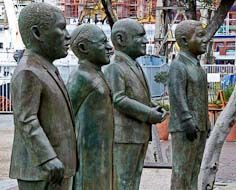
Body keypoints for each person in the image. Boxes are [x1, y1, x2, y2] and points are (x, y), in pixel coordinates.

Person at [9, 3, 77, 190]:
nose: (68, 35)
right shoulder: (28, 71)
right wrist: (48, 157)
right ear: (37, 33)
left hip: (56, 168)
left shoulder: (45, 68)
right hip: (42, 170)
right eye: (61, 28)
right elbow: (26, 119)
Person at [103, 18, 165, 190]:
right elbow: (118, 99)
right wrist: (148, 113)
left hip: (138, 134)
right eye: (140, 36)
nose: (146, 41)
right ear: (121, 39)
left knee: (133, 180)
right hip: (124, 136)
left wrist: (152, 106)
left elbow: (136, 96)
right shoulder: (115, 67)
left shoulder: (134, 64)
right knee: (123, 181)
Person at [67, 24, 113, 190]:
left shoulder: (97, 73)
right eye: (102, 43)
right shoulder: (81, 77)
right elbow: (66, 117)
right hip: (87, 155)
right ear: (83, 48)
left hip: (101, 150)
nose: (109, 47)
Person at [168, 20, 210, 190]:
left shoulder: (197, 67)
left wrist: (206, 123)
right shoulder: (178, 66)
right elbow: (177, 96)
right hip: (185, 128)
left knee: (193, 170)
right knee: (182, 172)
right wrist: (186, 120)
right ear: (185, 41)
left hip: (199, 126)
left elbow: (201, 99)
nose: (205, 39)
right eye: (200, 35)